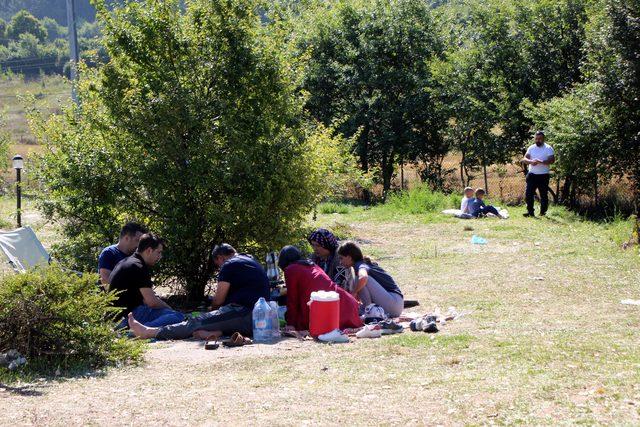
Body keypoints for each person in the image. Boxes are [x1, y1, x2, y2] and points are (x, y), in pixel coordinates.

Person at [127, 244, 270, 340]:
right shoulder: (250, 260)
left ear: (220, 258)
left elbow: (218, 301)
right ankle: (216, 332)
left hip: (244, 312)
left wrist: (211, 312)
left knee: (196, 321)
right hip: (261, 320)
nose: (219, 268)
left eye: (217, 265)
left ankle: (150, 332)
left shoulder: (229, 264)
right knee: (217, 322)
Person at [278, 245, 362, 332]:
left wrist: (291, 324)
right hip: (347, 304)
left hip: (332, 310)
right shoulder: (311, 264)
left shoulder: (290, 269)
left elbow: (292, 299)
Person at [109, 233, 184, 328]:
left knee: (167, 314)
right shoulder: (138, 266)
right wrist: (170, 309)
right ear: (149, 250)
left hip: (114, 318)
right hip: (128, 317)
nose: (160, 257)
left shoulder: (126, 262)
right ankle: (142, 330)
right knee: (178, 316)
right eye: (158, 252)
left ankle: (139, 329)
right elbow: (151, 302)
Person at [337, 242, 404, 318]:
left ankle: (367, 310)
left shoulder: (361, 265)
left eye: (341, 258)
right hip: (394, 304)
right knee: (359, 279)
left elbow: (364, 277)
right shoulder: (361, 264)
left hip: (394, 303)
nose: (340, 262)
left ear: (349, 257)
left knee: (361, 279)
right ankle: (367, 309)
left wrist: (354, 293)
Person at [98, 222, 148, 289]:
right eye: (137, 240)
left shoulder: (136, 256)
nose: (139, 245)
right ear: (127, 238)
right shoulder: (109, 253)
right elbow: (106, 281)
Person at [522, 130, 555, 217]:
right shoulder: (531, 148)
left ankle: (542, 213)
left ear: (543, 139)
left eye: (540, 139)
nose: (538, 140)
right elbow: (524, 159)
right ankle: (530, 212)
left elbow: (552, 160)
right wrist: (531, 161)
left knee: (543, 195)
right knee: (528, 194)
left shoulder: (548, 148)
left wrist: (541, 161)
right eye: (536, 139)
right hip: (532, 174)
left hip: (543, 175)